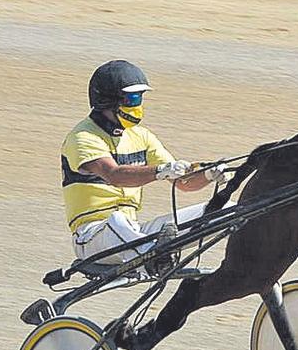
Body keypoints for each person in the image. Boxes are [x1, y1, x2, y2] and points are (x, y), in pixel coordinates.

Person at [61, 60, 226, 274]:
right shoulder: (83, 137)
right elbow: (114, 175)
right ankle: (154, 256)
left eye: (140, 99)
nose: (137, 106)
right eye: (132, 99)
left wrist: (209, 174)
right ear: (108, 101)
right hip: (92, 237)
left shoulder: (142, 137)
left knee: (226, 208)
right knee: (116, 221)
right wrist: (159, 171)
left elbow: (184, 182)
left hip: (132, 233)